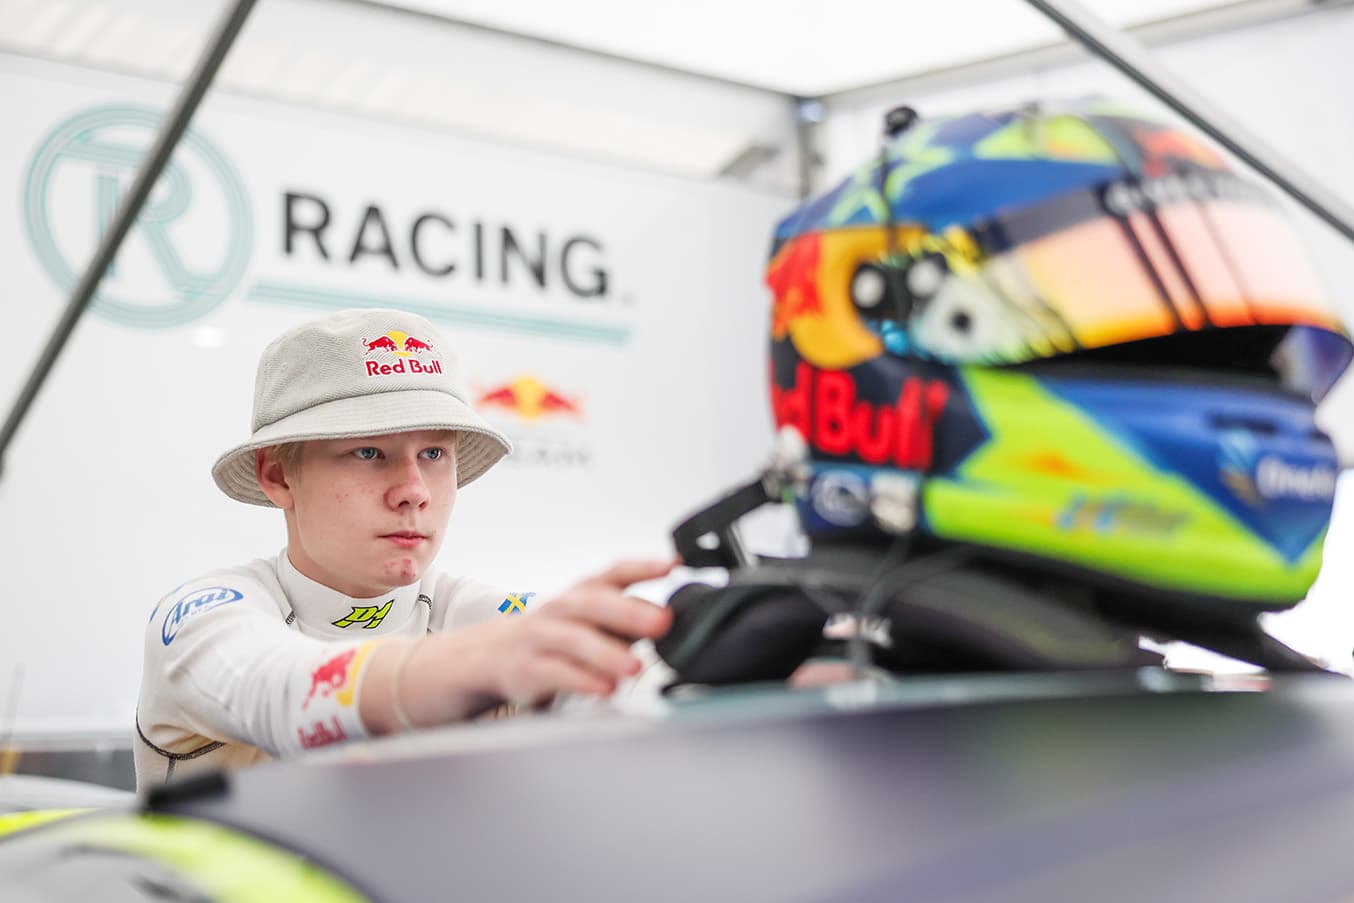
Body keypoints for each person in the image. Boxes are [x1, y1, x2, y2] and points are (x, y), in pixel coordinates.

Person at [135, 308, 673, 788]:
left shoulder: (481, 615)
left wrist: (687, 661)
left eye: (434, 452)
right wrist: (490, 663)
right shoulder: (205, 617)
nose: (414, 490)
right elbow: (284, 694)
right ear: (278, 474)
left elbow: (642, 694)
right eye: (369, 451)